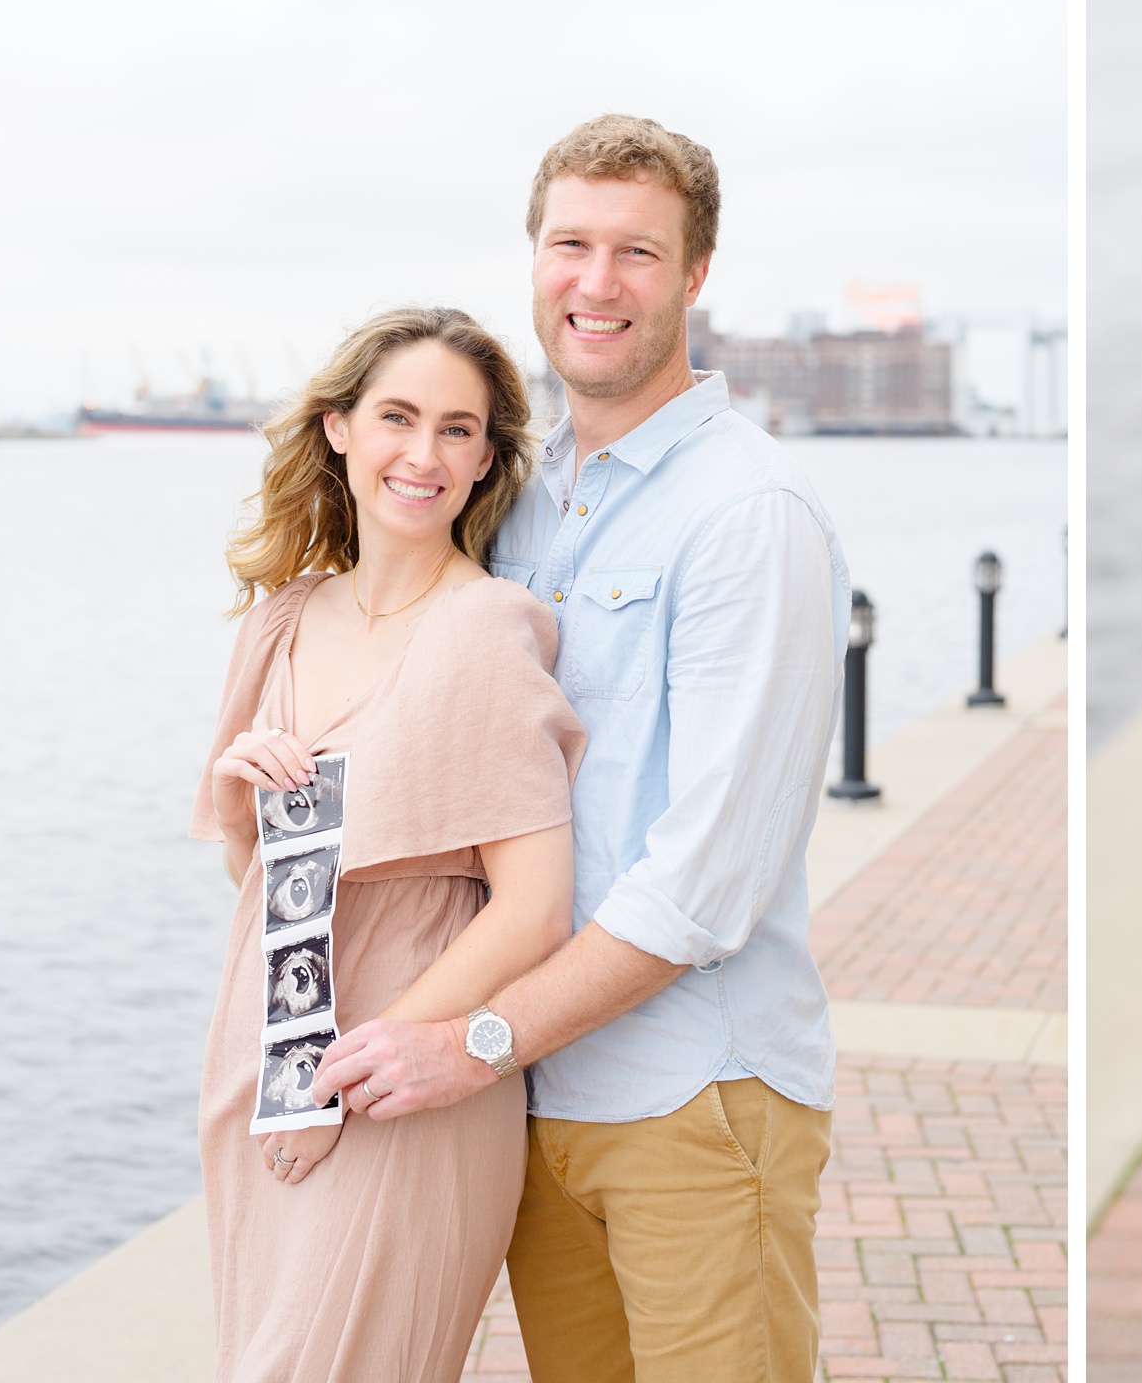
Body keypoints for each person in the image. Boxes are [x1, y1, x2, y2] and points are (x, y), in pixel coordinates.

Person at [314, 115, 851, 1383]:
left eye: (638, 253)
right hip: (539, 1103)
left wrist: (478, 1039)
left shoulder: (746, 513)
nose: (597, 284)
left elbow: (705, 881)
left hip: (694, 1103)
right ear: (534, 257)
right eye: (571, 244)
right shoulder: (524, 500)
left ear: (695, 276)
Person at [193, 307, 586, 1383]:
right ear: (337, 428)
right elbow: (264, 885)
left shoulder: (485, 629)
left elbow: (533, 907)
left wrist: (342, 1078)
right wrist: (243, 804)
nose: (424, 454)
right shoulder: (282, 620)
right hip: (263, 1051)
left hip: (402, 1073)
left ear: (488, 459)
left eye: (459, 430)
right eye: (398, 417)